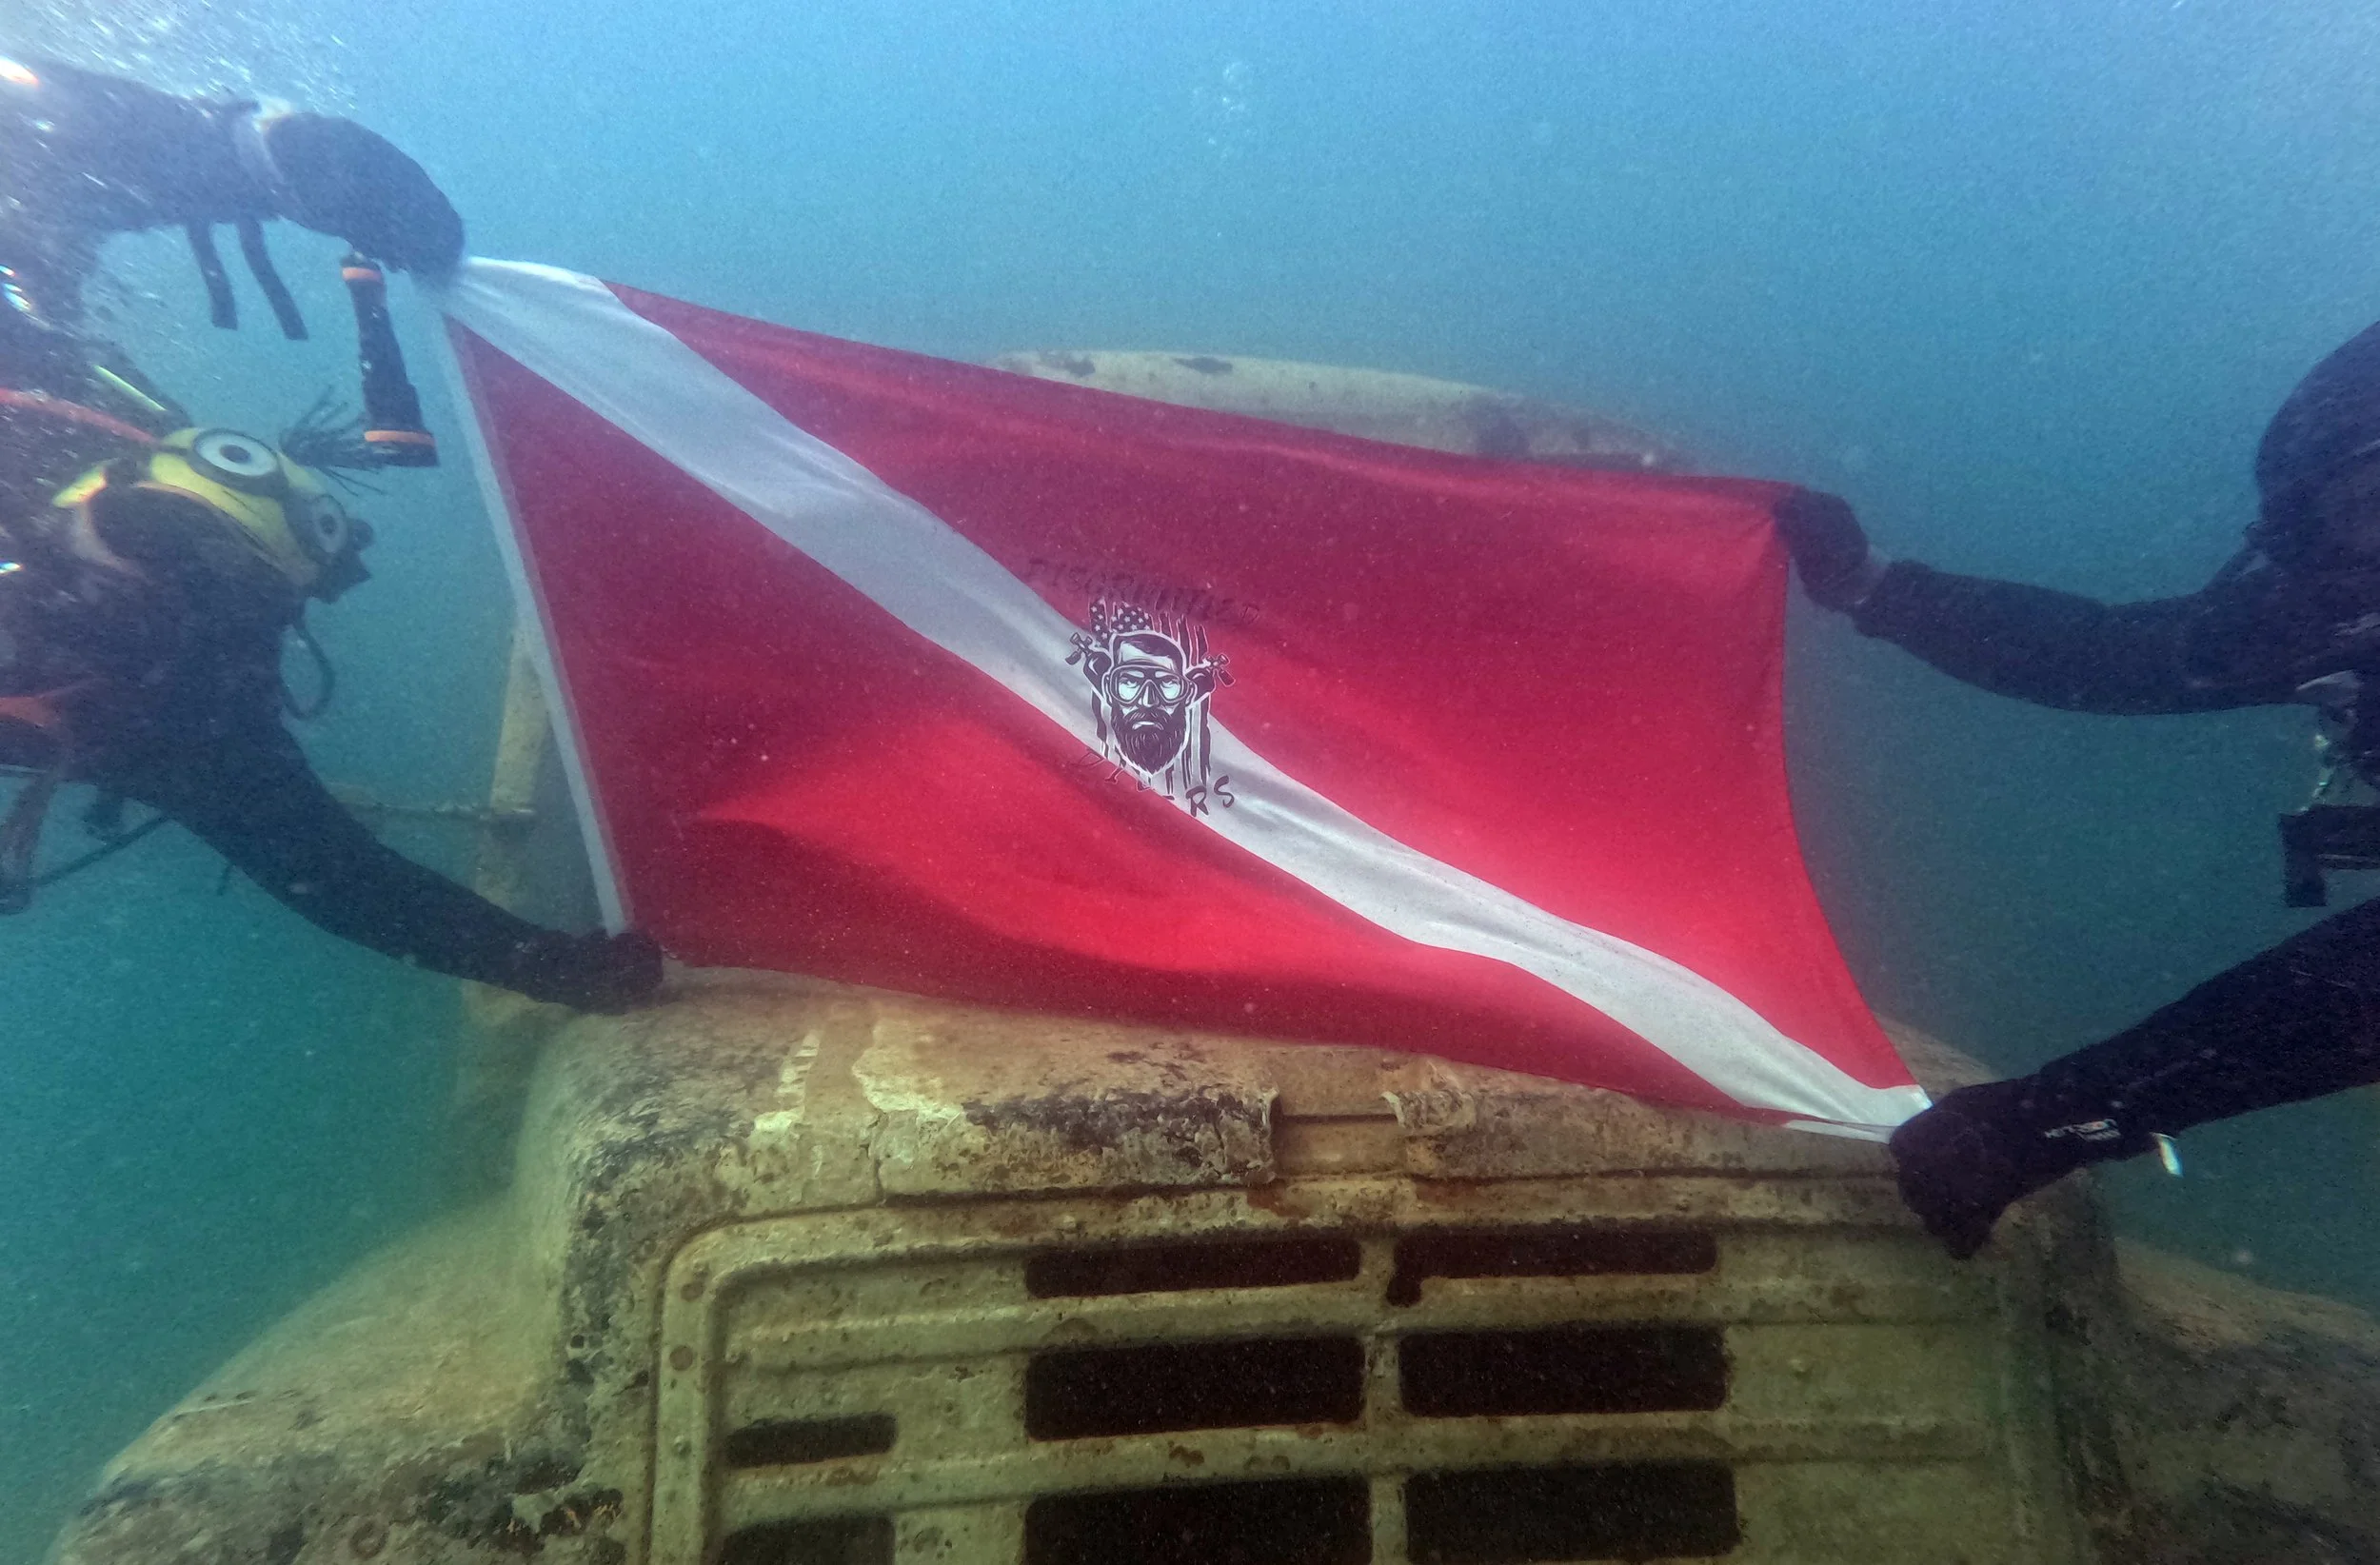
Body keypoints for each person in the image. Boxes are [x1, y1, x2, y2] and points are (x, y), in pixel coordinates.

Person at [0, 53, 662, 1012]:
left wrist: (256, 156)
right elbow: (334, 875)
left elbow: (333, 873)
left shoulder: (191, 691)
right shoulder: (173, 708)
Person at [1775, 320, 2380, 1258]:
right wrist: (1870, 586)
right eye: (2363, 511)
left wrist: (2073, 1109)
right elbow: (2110, 655)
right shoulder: (2341, 606)